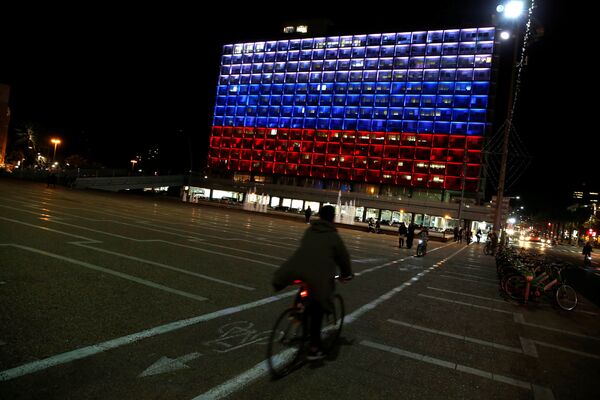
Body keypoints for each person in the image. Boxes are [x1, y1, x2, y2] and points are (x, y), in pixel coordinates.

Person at [272, 205, 353, 360]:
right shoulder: (333, 236)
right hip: (318, 277)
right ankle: (314, 349)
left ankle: (296, 312)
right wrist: (346, 274)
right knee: (318, 310)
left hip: (299, 269)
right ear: (332, 218)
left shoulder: (310, 230)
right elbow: (343, 259)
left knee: (304, 288)